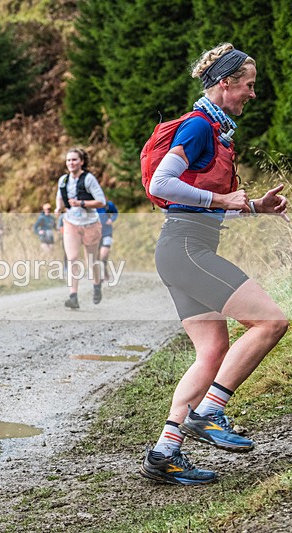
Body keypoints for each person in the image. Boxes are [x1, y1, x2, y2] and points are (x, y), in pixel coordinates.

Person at [139, 43, 288, 486]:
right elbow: (163, 182)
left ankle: (165, 452)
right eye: (249, 85)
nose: (253, 94)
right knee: (271, 321)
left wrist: (256, 207)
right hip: (186, 250)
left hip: (182, 246)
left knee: (211, 352)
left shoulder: (216, 131)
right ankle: (210, 412)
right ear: (225, 83)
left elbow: (200, 205)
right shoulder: (201, 127)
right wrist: (221, 197)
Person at [54, 148, 106, 309]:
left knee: (92, 261)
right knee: (72, 258)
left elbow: (101, 201)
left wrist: (81, 203)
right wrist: (58, 208)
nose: (71, 163)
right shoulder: (63, 180)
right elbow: (60, 199)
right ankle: (73, 296)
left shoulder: (89, 179)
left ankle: (97, 285)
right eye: (68, 160)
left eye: (74, 160)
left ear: (81, 161)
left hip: (90, 224)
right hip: (71, 223)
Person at [96, 199, 118, 279]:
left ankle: (102, 271)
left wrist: (111, 219)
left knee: (104, 254)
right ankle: (102, 272)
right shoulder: (91, 206)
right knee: (97, 256)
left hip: (107, 232)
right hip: (95, 234)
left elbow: (115, 213)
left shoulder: (108, 205)